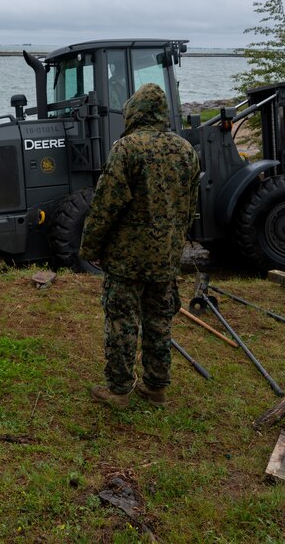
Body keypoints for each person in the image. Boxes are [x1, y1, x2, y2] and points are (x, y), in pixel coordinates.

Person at [80, 83, 200, 408]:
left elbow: (106, 205)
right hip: (165, 258)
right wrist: (174, 245)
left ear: (133, 111)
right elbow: (190, 208)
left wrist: (90, 247)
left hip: (126, 258)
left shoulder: (127, 149)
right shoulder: (186, 151)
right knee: (160, 321)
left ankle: (119, 390)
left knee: (122, 320)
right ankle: (156, 388)